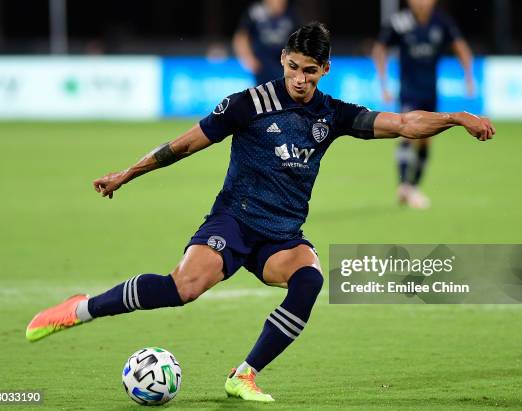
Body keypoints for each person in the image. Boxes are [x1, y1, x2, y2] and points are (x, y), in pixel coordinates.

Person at [26, 22, 494, 402]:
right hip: (234, 221)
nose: (299, 78)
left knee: (310, 279)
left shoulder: (332, 115)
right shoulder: (248, 104)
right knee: (182, 288)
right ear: (282, 62)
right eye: (293, 67)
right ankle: (80, 309)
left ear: (324, 70)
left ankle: (243, 375)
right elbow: (185, 144)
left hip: (281, 236)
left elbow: (404, 123)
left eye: (310, 70)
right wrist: (127, 173)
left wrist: (455, 118)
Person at [372, 0, 475, 208]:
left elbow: (461, 48)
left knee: (426, 140)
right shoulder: (400, 22)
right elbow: (379, 50)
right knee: (406, 134)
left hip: (430, 92)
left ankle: (413, 186)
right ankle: (404, 186)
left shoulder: (442, 22)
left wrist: (469, 77)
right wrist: (383, 83)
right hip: (408, 92)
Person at [233, 0, 299, 85]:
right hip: (261, 65)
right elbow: (241, 36)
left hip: (281, 64)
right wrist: (247, 58)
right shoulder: (255, 12)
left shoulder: (290, 13)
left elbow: (299, 38)